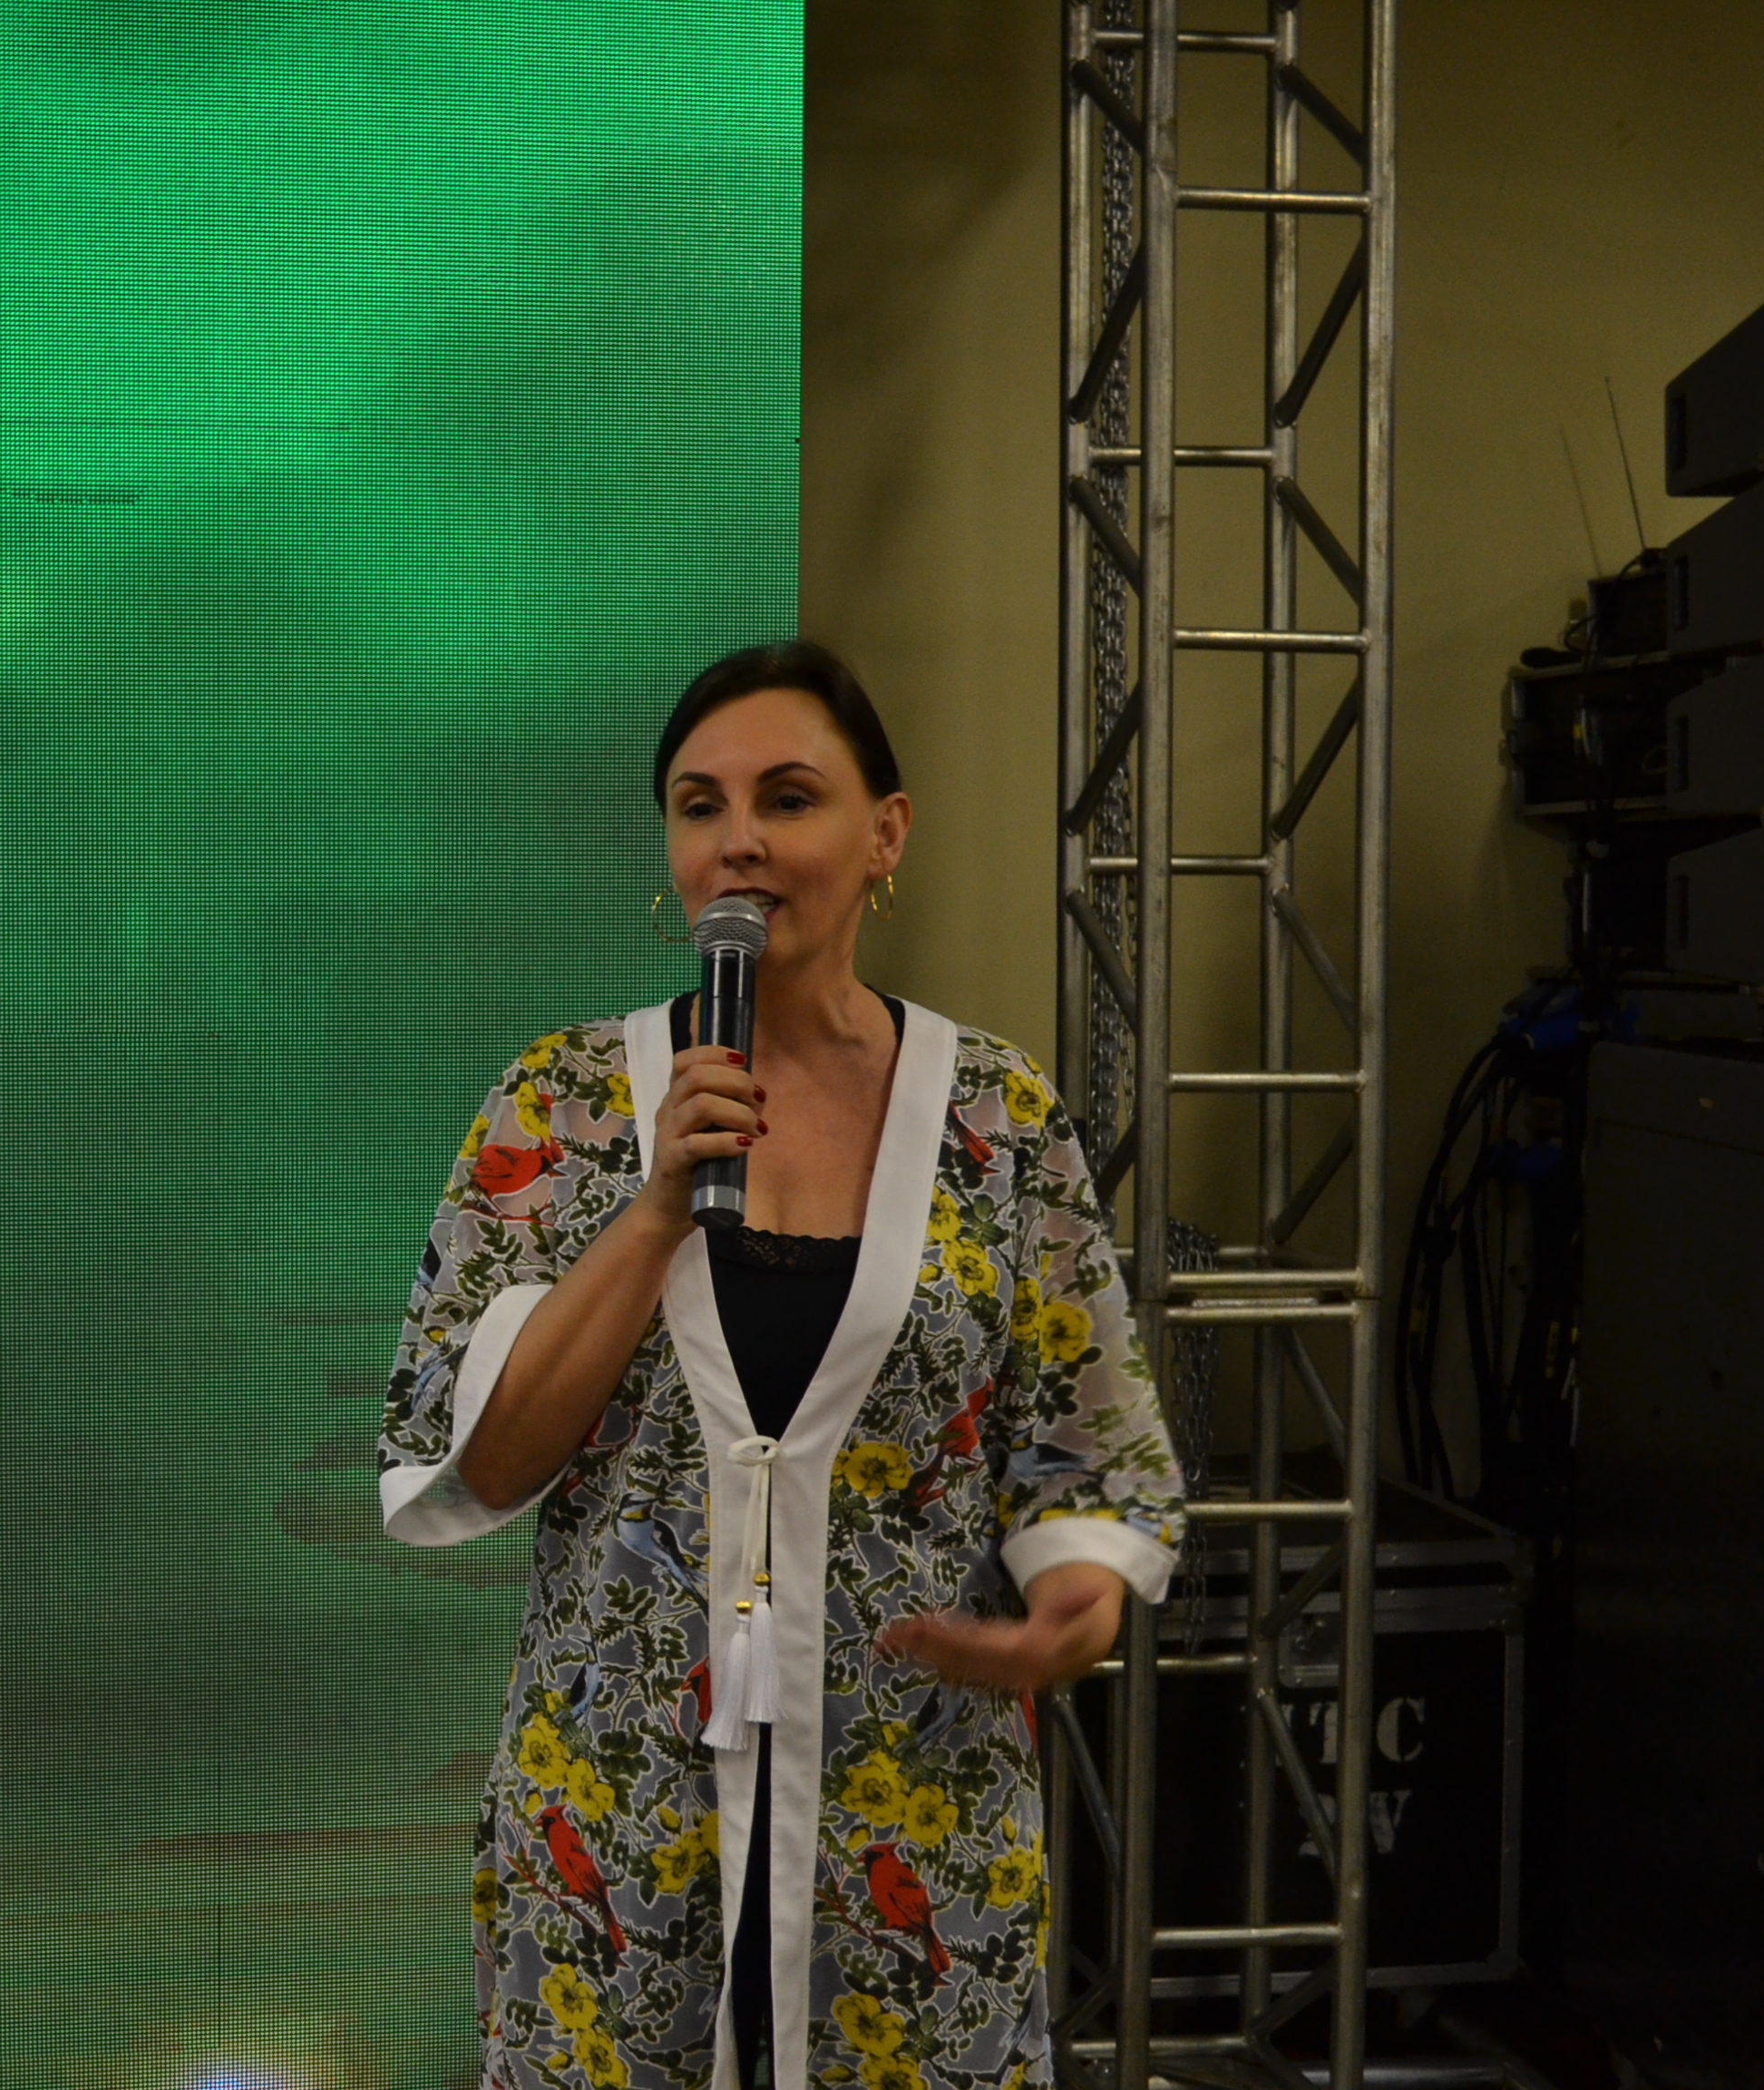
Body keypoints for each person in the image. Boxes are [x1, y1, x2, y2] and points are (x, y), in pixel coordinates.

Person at [377, 640, 1186, 2090]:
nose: (738, 839)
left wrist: (1075, 1603)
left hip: (911, 1823)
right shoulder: (559, 1104)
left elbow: (1086, 1445)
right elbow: (482, 1461)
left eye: (789, 798)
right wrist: (652, 1208)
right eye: (701, 806)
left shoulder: (1000, 1118)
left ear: (887, 834)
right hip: (614, 1829)